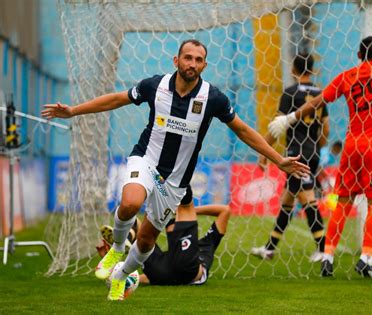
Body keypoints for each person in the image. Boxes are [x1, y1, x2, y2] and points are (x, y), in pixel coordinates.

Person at [42, 39, 310, 300]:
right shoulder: (155, 86)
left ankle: (122, 275)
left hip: (173, 182)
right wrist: (74, 111)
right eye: (188, 57)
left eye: (198, 59)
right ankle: (117, 247)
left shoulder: (212, 98)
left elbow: (242, 130)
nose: (192, 63)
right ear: (177, 60)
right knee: (130, 203)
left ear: (204, 65)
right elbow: (115, 99)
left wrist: (278, 159)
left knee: (146, 241)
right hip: (146, 160)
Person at [267, 17, 372, 278]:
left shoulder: (347, 77)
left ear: (358, 55)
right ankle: (366, 258)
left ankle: (328, 256)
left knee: (343, 201)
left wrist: (289, 118)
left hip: (352, 146)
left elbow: (318, 101)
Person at [250, 53, 329, 263]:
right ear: (312, 70)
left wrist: (264, 152)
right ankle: (269, 248)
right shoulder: (321, 94)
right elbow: (326, 130)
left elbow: (278, 126)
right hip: (313, 153)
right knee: (288, 199)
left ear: (293, 70)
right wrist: (316, 148)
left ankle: (323, 250)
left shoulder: (290, 93)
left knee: (307, 199)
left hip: (296, 154)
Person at [96, 187, 230, 288]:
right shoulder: (208, 244)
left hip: (170, 272)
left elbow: (225, 211)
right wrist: (189, 212)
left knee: (141, 229)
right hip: (172, 273)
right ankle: (127, 239)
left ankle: (126, 239)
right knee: (144, 237)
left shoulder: (206, 243)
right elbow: (225, 210)